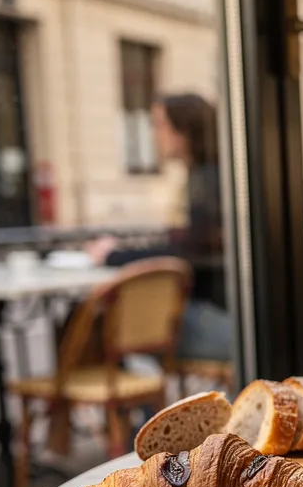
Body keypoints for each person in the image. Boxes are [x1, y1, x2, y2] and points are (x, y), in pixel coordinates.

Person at [85, 93, 232, 362]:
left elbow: (182, 252)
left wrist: (111, 255)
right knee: (106, 323)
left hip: (225, 323)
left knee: (100, 326)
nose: (153, 133)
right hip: (226, 313)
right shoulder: (212, 176)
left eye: (158, 124)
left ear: (183, 131)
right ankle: (149, 403)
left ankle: (148, 405)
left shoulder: (207, 182)